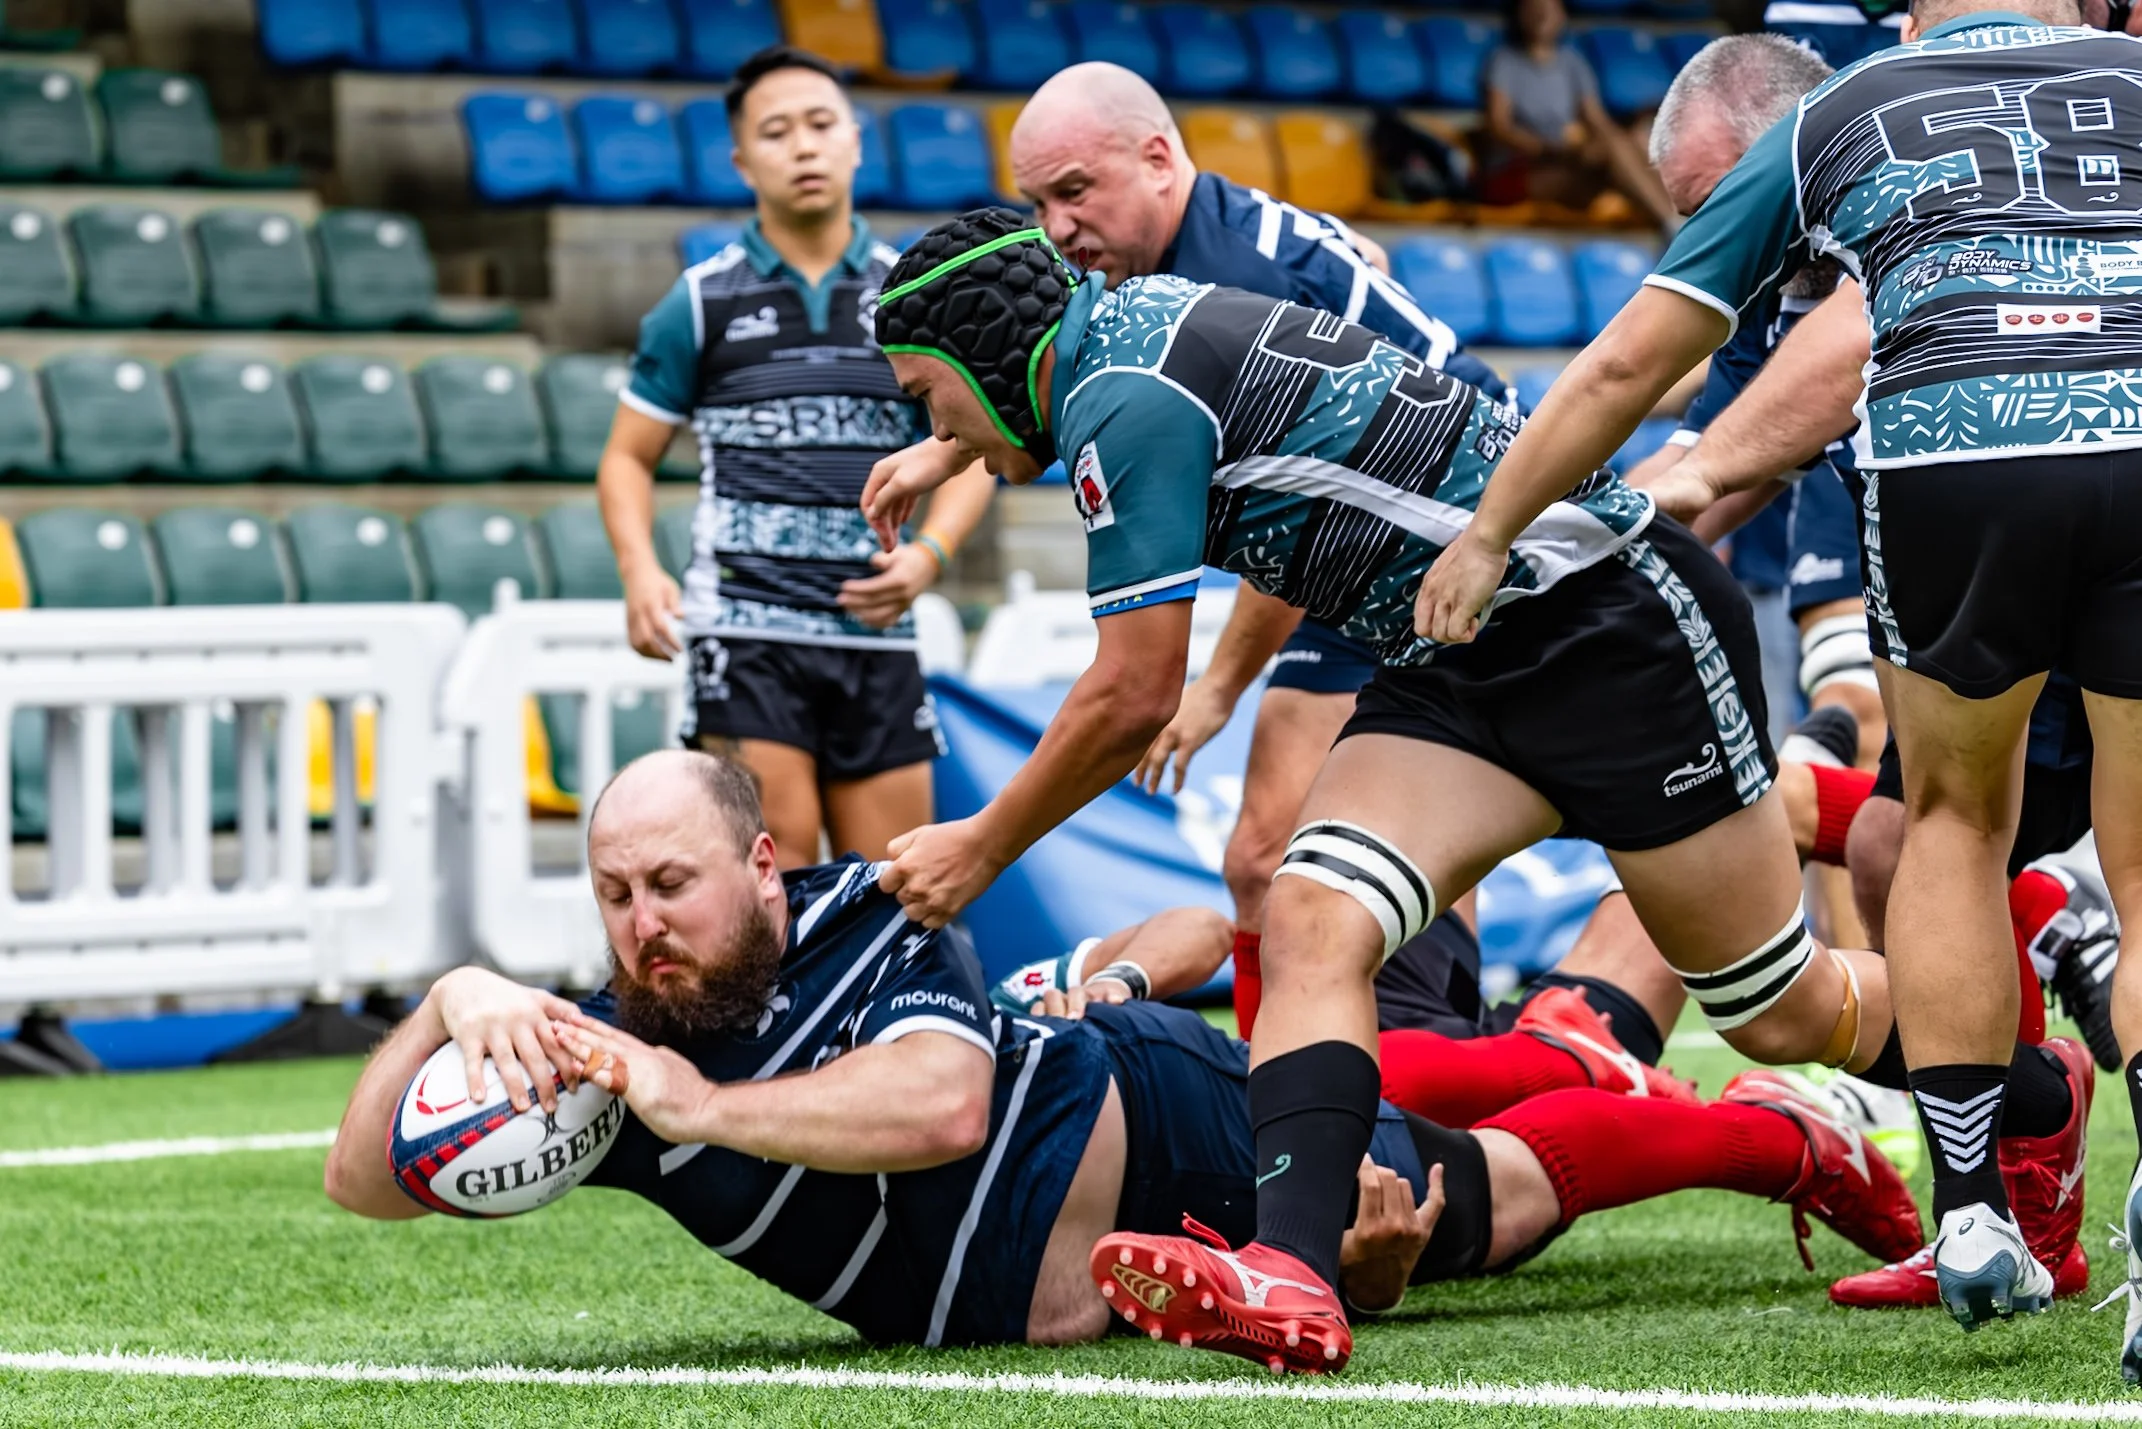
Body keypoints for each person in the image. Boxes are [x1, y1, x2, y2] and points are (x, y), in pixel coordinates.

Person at [858, 208, 1961, 1373]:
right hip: (1456, 649)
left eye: (930, 400)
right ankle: (1291, 1272)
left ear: (990, 354)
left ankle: (2023, 1085)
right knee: (1309, 913)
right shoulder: (1123, 344)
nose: (934, 430)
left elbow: (1133, 692)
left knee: (1775, 1007)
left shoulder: (1123, 398)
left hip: (1608, 629)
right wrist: (960, 441)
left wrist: (981, 845)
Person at [1410, 0, 2142, 1338]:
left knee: (1945, 826)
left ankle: (1971, 1205)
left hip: (1957, 451)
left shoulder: (1845, 107)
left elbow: (1634, 356)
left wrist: (1492, 529)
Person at [322, 750, 1922, 1354]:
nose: (640, 925)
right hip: (1051, 1280)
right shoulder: (607, 1038)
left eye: (668, 885)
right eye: (612, 895)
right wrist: (455, 996)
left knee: (1474, 1204)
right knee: (1437, 1152)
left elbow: (947, 1103)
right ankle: (1591, 1035)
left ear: (762, 865)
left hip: (1153, 1111)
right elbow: (362, 1180)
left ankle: (1775, 1136)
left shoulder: (874, 911)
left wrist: (706, 1107)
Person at [989, 60, 1510, 1026]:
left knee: (1285, 854)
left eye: (1074, 191)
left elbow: (1303, 514)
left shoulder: (1233, 274)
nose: (1055, 227)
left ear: (1158, 159)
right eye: (1039, 203)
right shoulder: (1192, 245)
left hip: (1446, 540)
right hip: (1411, 536)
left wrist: (1216, 690)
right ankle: (1392, 1066)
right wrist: (940, 452)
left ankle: (1400, 1071)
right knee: (1300, 855)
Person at [595, 44, 995, 869]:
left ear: (856, 141)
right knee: (779, 885)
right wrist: (639, 571)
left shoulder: (912, 295)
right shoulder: (699, 303)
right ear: (742, 162)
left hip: (876, 635)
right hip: (746, 636)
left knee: (891, 888)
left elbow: (974, 447)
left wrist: (930, 554)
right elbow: (626, 458)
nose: (804, 147)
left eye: (820, 124)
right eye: (776, 133)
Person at [1480, 0, 1679, 228]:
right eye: (1533, 9)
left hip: (1567, 159)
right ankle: (1674, 224)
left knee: (1632, 140)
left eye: (1550, 9)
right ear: (1519, 15)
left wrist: (1619, 142)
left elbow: (1597, 120)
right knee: (1614, 153)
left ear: (1562, 16)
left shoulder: (1572, 62)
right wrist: (1547, 149)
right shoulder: (1503, 61)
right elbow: (1499, 127)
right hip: (1525, 167)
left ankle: (1675, 221)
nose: (1542, 15)